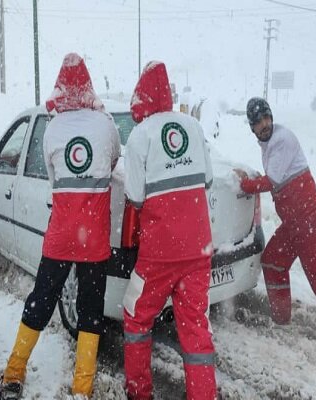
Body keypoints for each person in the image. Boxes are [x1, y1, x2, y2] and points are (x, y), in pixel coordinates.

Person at [0, 53, 121, 400]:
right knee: (90, 310)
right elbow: (112, 163)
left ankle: (14, 372)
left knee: (41, 300)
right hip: (94, 237)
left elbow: (55, 179)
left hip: (61, 235)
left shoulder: (52, 128)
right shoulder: (105, 125)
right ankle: (82, 387)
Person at [123, 61, 217, 400]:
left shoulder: (140, 135)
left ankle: (139, 392)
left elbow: (134, 195)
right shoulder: (192, 125)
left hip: (159, 254)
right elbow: (207, 179)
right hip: (198, 250)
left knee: (136, 317)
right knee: (195, 328)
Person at [235, 97, 316, 349]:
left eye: (266, 118)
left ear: (271, 117)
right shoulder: (267, 144)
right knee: (273, 260)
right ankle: (281, 319)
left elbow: (273, 180)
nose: (264, 124)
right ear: (252, 127)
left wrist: (245, 184)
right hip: (293, 224)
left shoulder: (282, 139)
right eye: (258, 121)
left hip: (310, 221)